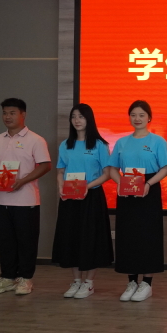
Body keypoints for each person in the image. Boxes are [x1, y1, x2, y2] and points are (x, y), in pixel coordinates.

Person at [0, 98, 51, 295]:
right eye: (5, 113)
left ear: (23, 115)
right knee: (4, 240)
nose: (7, 117)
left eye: (12, 113)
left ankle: (25, 279)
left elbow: (45, 165)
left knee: (26, 241)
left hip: (26, 200)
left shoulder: (36, 140)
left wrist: (22, 181)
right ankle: (7, 278)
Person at [108, 100, 167, 302]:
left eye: (142, 115)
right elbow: (112, 168)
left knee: (148, 235)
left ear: (149, 118)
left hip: (148, 190)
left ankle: (147, 283)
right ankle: (131, 282)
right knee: (128, 236)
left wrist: (149, 184)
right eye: (133, 115)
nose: (137, 118)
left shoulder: (158, 141)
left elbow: (165, 168)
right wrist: (121, 183)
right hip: (126, 192)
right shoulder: (122, 142)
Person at [52, 103, 114, 299]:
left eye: (81, 116)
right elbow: (60, 171)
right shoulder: (65, 144)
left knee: (90, 238)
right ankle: (76, 281)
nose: (77, 120)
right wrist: (61, 186)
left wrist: (88, 186)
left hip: (91, 196)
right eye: (74, 117)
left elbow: (107, 173)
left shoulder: (99, 145)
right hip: (70, 197)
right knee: (71, 237)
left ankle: (89, 283)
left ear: (89, 119)